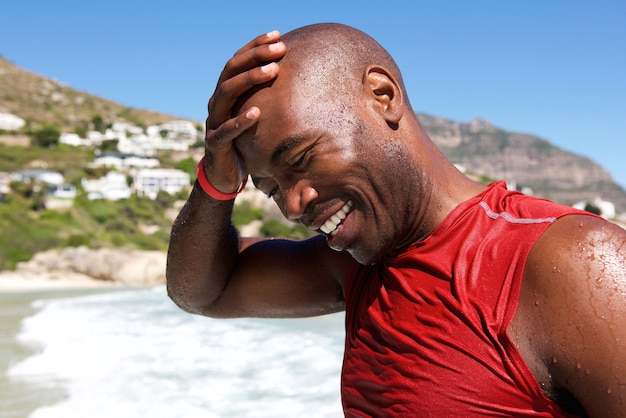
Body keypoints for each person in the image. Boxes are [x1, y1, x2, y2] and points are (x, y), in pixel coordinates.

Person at [166, 23, 626, 417]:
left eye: (302, 158)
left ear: (382, 96)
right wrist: (215, 182)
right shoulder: (356, 266)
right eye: (270, 189)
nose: (291, 205)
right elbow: (203, 291)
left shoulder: (574, 263)